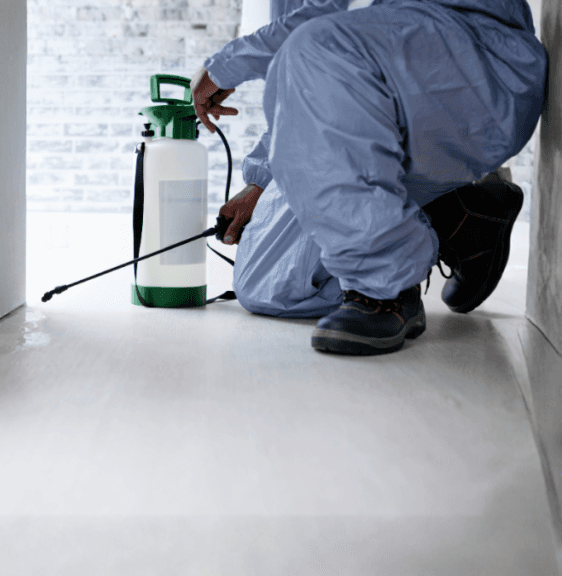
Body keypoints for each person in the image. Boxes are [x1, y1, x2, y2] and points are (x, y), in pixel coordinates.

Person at [189, 0, 546, 355]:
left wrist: (223, 67)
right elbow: (307, 88)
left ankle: (384, 288)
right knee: (266, 284)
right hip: (397, 82)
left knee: (315, 48)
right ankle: (458, 217)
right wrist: (263, 180)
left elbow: (319, 42)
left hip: (479, 62)